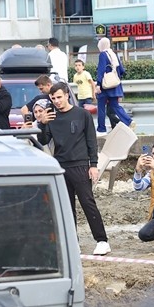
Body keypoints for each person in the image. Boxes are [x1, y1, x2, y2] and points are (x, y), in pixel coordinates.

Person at [37, 82, 110, 255]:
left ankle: (102, 240)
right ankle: (72, 241)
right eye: (53, 98)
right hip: (61, 165)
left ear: (67, 95)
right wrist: (42, 124)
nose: (57, 101)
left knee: (87, 202)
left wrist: (93, 165)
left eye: (59, 97)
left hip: (80, 165)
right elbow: (43, 141)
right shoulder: (51, 117)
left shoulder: (82, 114)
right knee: (67, 206)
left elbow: (91, 141)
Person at [94, 37, 131, 135]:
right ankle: (129, 121)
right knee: (115, 106)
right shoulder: (113, 54)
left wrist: (98, 84)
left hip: (104, 86)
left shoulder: (103, 54)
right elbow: (122, 70)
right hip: (115, 86)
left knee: (101, 107)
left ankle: (101, 129)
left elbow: (101, 70)